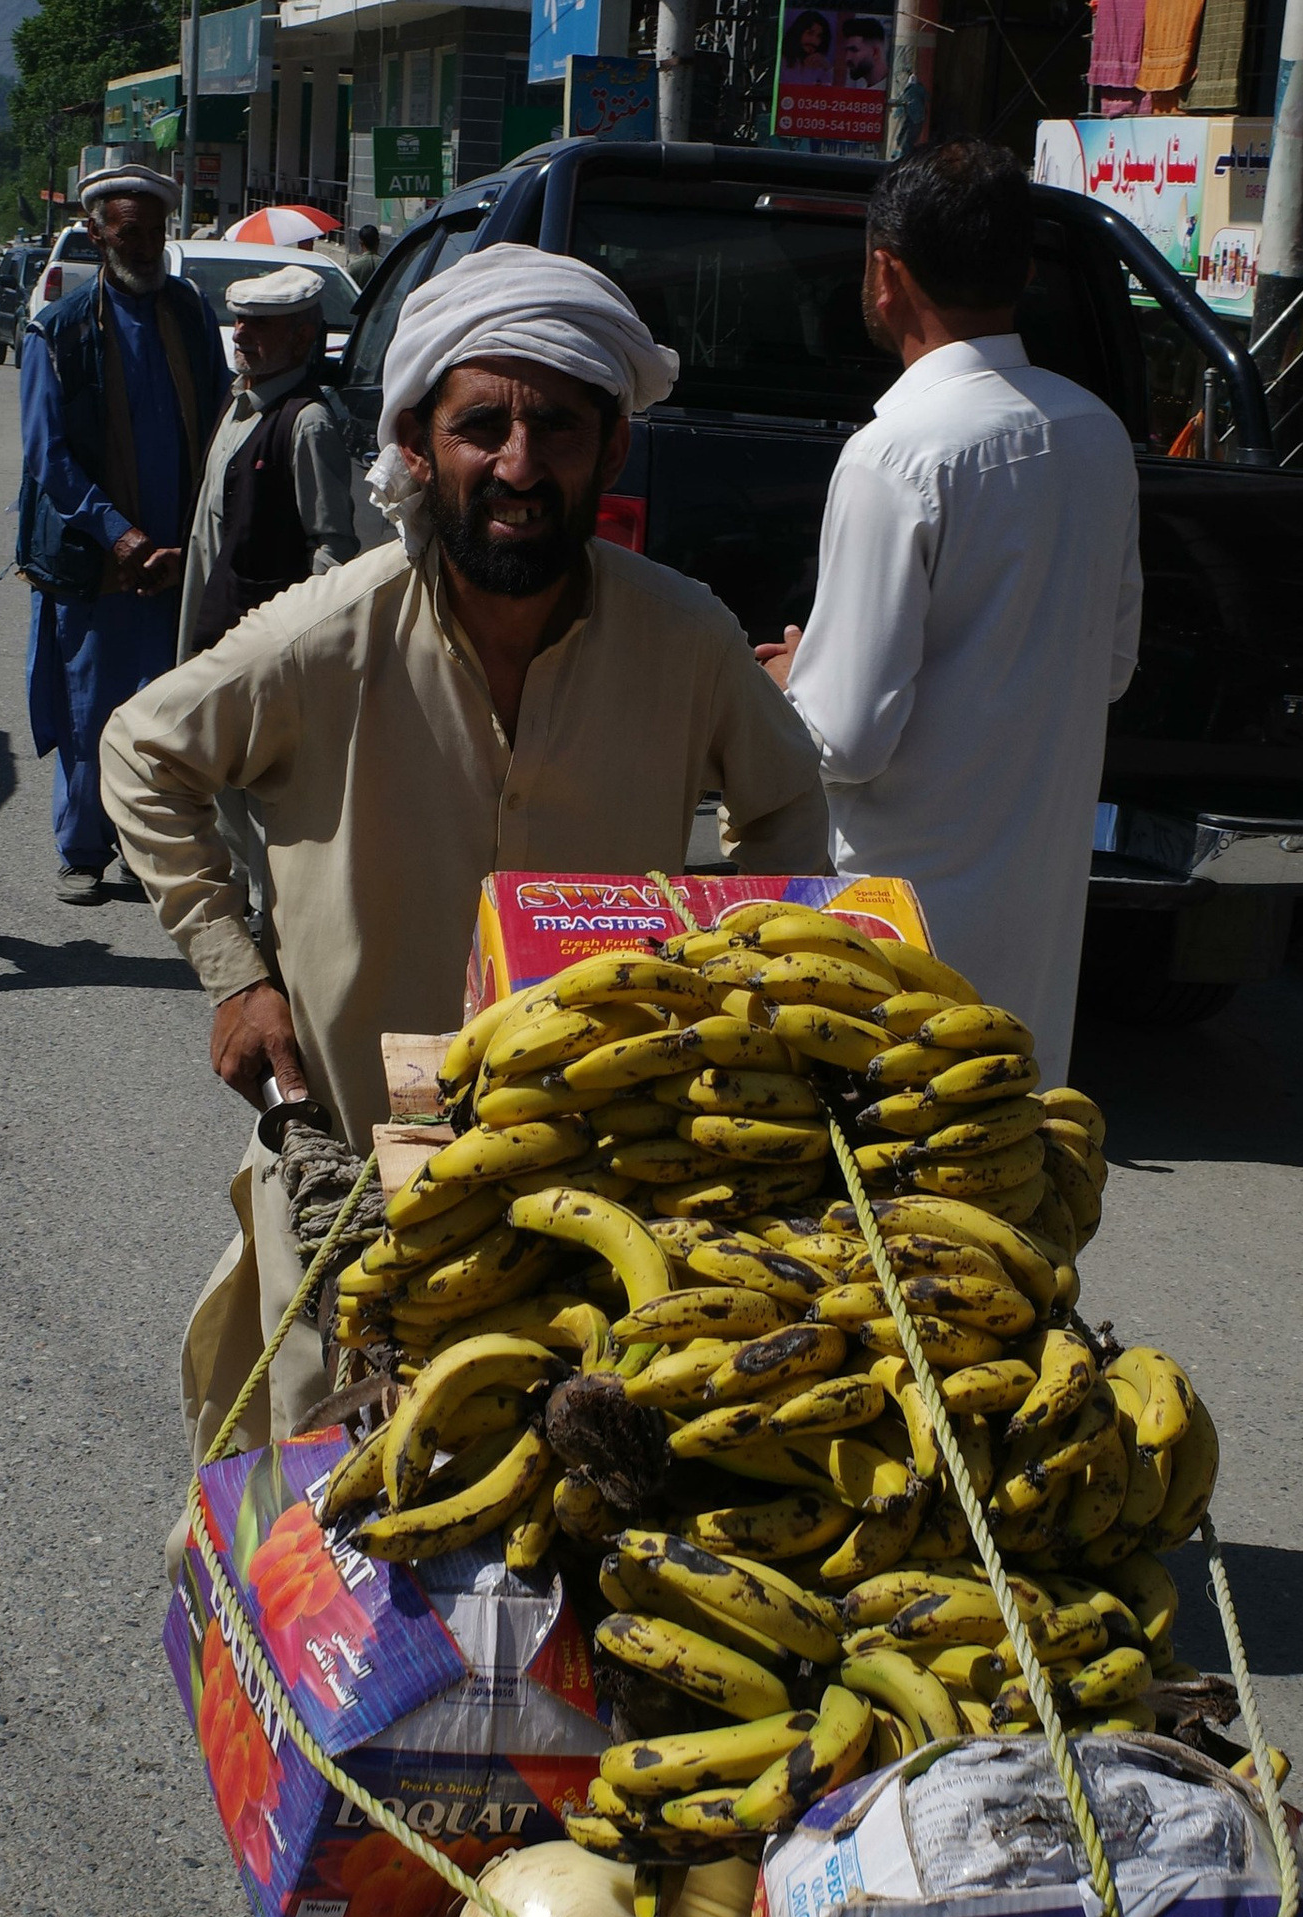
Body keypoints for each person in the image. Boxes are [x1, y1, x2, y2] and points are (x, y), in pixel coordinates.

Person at [100, 243, 829, 1459]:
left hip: (602, 1188)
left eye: (556, 426)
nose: (519, 464)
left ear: (612, 449)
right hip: (354, 1184)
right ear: (418, 447)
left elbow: (787, 813)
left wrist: (729, 977)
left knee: (583, 1520)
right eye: (480, 423)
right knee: (335, 1533)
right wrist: (234, 969)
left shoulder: (686, 640)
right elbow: (143, 752)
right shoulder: (328, 633)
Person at [761, 143, 1140, 1088]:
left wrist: (788, 682)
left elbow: (843, 739)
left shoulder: (896, 455)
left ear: (887, 275)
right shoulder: (1095, 434)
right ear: (1020, 271)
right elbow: (1112, 668)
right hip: (1036, 930)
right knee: (1002, 1177)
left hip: (898, 929)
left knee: (888, 1198)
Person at [15, 163, 225, 906]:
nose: (144, 247)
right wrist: (120, 537)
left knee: (165, 707)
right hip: (96, 557)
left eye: (155, 233)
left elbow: (219, 419)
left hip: (175, 555)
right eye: (128, 233)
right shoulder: (59, 328)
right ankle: (82, 846)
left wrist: (190, 535)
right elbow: (47, 456)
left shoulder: (192, 315)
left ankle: (145, 846)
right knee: (88, 705)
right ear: (98, 233)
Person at [177, 261, 356, 657]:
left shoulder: (307, 422)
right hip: (205, 619)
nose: (240, 334)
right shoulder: (238, 397)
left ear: (301, 336)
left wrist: (308, 643)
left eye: (258, 324)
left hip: (254, 642)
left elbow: (331, 548)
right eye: (239, 320)